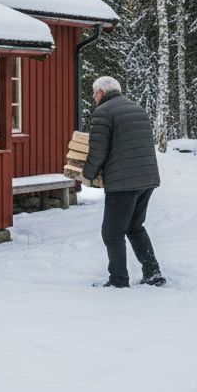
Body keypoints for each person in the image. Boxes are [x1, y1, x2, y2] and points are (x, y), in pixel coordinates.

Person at [78, 76, 166, 288]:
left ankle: (118, 279)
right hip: (147, 179)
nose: (93, 97)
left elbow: (98, 151)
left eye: (93, 93)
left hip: (123, 184)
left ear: (101, 92)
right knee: (135, 227)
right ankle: (153, 274)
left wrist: (86, 174)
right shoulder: (137, 109)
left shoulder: (103, 112)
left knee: (112, 232)